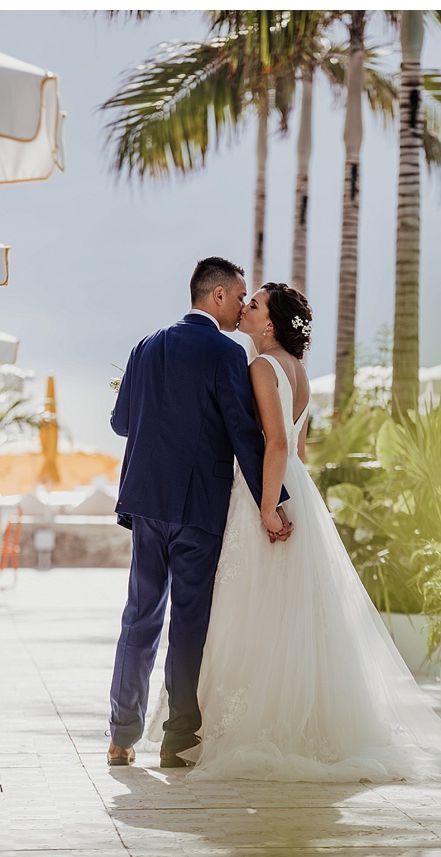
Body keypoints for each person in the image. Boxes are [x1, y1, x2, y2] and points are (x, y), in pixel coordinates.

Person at [176, 283, 441, 781]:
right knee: (294, 609)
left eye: (253, 305)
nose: (245, 309)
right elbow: (300, 451)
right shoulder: (299, 372)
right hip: (299, 487)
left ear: (268, 323)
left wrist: (268, 507)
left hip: (268, 491)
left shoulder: (260, 367)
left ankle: (262, 725)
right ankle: (311, 721)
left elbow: (272, 444)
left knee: (257, 607)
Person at [107, 256, 289, 769]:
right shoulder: (226, 354)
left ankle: (121, 738)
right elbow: (244, 437)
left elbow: (122, 423)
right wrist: (272, 504)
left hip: (144, 504)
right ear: (217, 296)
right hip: (196, 508)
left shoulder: (145, 346)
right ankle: (176, 740)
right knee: (188, 623)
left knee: (139, 617)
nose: (239, 307)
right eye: (238, 297)